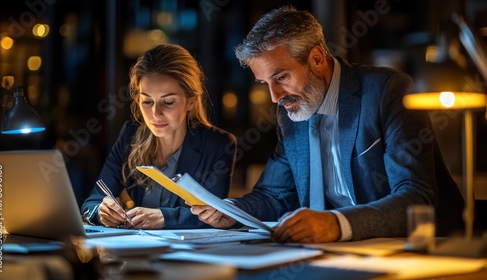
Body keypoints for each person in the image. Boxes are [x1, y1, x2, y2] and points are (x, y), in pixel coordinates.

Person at [191, 6, 465, 243]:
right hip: (333, 252)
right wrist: (231, 211)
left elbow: (416, 198)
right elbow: (275, 196)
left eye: (282, 77)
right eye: (265, 84)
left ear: (317, 59)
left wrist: (335, 224)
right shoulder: (292, 113)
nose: (275, 97)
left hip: (421, 250)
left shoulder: (386, 92)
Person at [81, 44, 237, 229]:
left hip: (189, 254)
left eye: (168, 102)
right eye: (147, 101)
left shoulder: (218, 145)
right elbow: (91, 203)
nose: (155, 113)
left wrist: (164, 217)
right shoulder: (129, 136)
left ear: (191, 102)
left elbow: (216, 215)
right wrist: (101, 212)